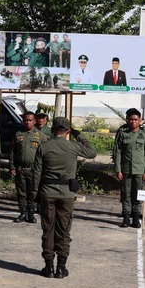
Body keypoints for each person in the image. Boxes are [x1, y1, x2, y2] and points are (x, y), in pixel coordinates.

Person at [34, 116, 96, 279]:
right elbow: (92, 152)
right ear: (68, 130)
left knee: (48, 229)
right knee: (63, 229)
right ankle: (61, 268)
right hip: (67, 194)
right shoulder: (73, 146)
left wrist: (35, 195)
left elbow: (36, 174)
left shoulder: (44, 147)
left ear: (53, 129)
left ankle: (48, 268)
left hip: (47, 192)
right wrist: (79, 135)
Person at [112, 108, 145, 228]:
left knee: (138, 193)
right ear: (127, 120)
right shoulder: (123, 133)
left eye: (135, 119)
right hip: (125, 169)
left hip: (139, 170)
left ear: (140, 121)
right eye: (130, 119)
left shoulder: (144, 134)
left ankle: (136, 217)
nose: (133, 122)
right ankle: (125, 217)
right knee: (125, 193)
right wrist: (118, 169)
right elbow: (117, 152)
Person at [10, 112, 46, 223]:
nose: (27, 122)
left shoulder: (41, 136)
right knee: (21, 192)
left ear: (34, 121)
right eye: (25, 120)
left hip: (34, 169)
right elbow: (12, 151)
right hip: (20, 168)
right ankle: (22, 213)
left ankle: (31, 214)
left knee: (33, 192)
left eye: (30, 120)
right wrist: (12, 166)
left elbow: (45, 154)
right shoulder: (18, 135)